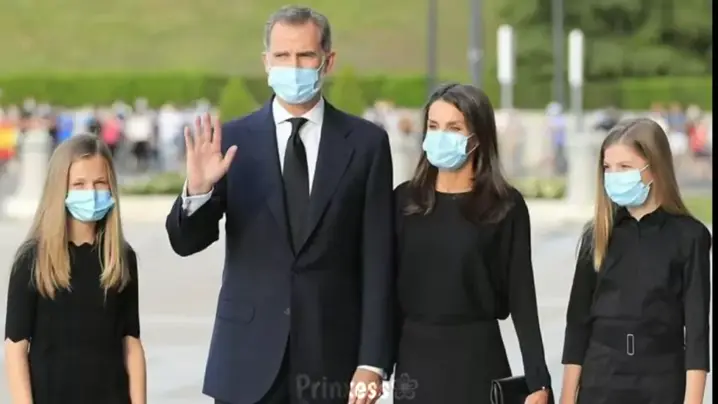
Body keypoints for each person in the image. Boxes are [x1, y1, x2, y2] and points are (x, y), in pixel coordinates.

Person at [165, 6, 394, 404]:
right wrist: (198, 191)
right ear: (266, 61)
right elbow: (186, 243)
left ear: (328, 61)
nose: (294, 66)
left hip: (332, 361)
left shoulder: (366, 144)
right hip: (246, 360)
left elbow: (378, 259)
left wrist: (372, 362)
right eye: (283, 55)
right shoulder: (231, 141)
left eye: (305, 55)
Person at [393, 83, 552, 404]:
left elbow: (522, 295)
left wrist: (538, 379)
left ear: (477, 137)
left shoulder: (505, 206)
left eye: (454, 128)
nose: (441, 135)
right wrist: (372, 366)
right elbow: (384, 291)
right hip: (416, 360)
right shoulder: (405, 201)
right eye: (433, 126)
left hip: (479, 358)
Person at [560, 118, 712, 404]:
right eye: (607, 167)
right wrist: (567, 397)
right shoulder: (597, 235)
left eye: (625, 167)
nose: (614, 175)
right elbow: (577, 324)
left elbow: (697, 334)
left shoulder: (690, 237)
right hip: (601, 379)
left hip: (662, 382)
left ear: (654, 168)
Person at [4, 134, 146, 404]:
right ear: (60, 188)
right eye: (79, 184)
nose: (91, 192)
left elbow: (131, 343)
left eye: (100, 182)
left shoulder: (121, 258)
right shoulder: (32, 260)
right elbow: (15, 348)